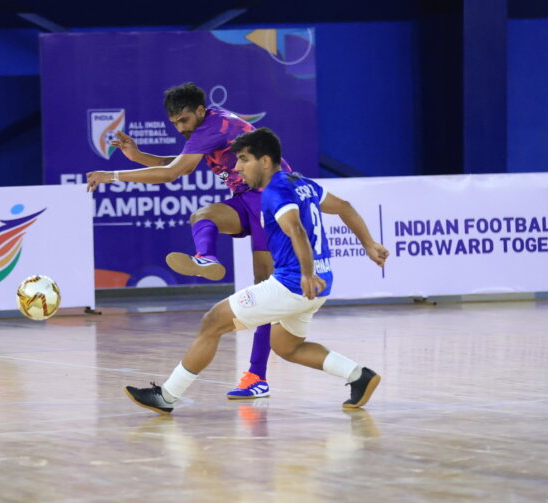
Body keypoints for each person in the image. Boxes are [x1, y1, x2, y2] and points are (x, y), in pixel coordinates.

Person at [123, 128, 389, 415]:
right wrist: (369, 243)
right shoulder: (302, 182)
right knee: (287, 346)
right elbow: (345, 207)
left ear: (264, 161)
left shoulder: (275, 191)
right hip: (321, 283)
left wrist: (305, 273)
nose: (236, 167)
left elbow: (296, 229)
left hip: (293, 284)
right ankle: (358, 375)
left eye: (243, 160)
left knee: (213, 322)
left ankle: (166, 395)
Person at [87, 82, 288, 400]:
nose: (180, 128)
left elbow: (172, 173)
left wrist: (111, 176)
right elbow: (180, 162)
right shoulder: (210, 128)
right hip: (246, 198)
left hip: (272, 201)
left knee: (264, 288)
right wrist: (137, 155)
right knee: (203, 216)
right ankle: (206, 258)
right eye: (175, 123)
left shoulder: (212, 125)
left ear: (199, 110)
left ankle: (256, 375)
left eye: (184, 120)